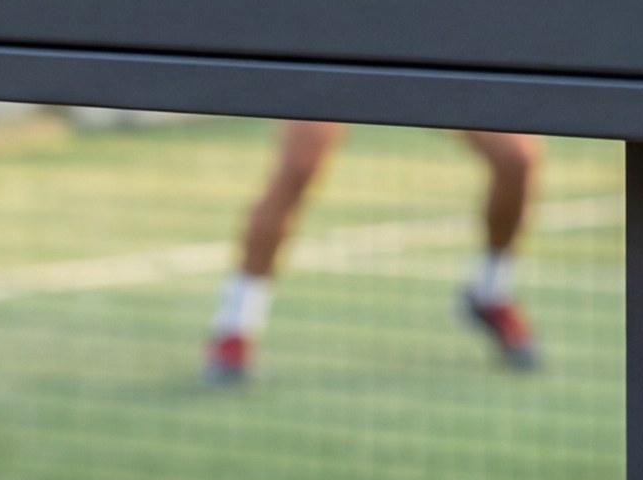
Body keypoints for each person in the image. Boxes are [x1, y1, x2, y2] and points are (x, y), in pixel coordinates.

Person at [205, 121, 541, 384]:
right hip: (342, 58)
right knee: (298, 167)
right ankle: (234, 329)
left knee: (517, 158)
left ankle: (489, 293)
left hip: (421, 59)